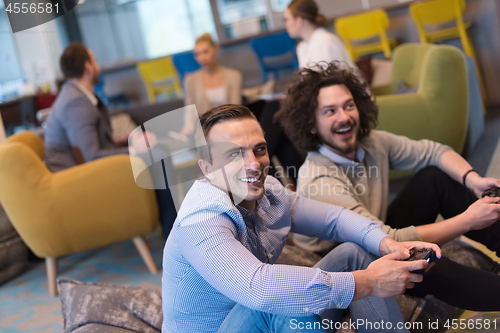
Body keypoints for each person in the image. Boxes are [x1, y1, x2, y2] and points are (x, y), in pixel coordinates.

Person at [161, 103, 441, 333]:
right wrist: (367, 281)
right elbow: (259, 289)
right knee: (278, 306)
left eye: (259, 149)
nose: (253, 163)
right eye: (234, 154)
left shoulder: (268, 192)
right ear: (208, 168)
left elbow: (335, 219)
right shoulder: (201, 221)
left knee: (352, 253)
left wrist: (388, 244)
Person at [275, 61, 500, 311]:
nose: (344, 117)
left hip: (377, 230)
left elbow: (434, 152)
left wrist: (473, 179)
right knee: (425, 264)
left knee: (433, 179)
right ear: (311, 125)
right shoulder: (319, 179)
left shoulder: (372, 143)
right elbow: (387, 240)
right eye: (330, 111)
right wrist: (467, 220)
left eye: (349, 105)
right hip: (349, 260)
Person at [44, 43, 177, 236]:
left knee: (159, 151)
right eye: (95, 61)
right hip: (76, 182)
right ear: (88, 67)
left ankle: (168, 226)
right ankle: (171, 230)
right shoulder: (75, 103)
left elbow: (91, 145)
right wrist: (135, 150)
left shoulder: (77, 96)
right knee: (158, 155)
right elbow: (91, 156)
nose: (98, 66)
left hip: (84, 170)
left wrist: (127, 141)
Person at [176, 33, 242, 139]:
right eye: (197, 54)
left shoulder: (234, 76)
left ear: (215, 49)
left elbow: (236, 110)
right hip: (204, 130)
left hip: (228, 127)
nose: (202, 58)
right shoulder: (190, 80)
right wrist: (185, 131)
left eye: (205, 52)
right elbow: (190, 112)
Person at [284, 0, 355, 70]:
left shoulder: (326, 43)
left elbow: (335, 80)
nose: (286, 25)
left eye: (287, 19)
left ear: (299, 21)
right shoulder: (301, 47)